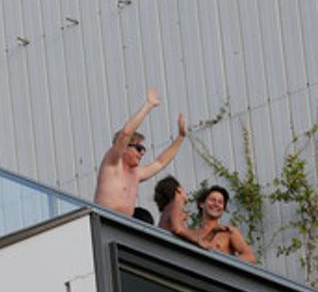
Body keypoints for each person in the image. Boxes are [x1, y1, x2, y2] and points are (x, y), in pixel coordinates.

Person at [93, 87, 186, 216]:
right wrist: (149, 105)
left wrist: (181, 137)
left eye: (143, 149)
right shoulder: (112, 164)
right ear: (125, 148)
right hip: (104, 223)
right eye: (138, 148)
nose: (142, 153)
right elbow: (125, 134)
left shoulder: (136, 173)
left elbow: (160, 162)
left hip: (125, 226)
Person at [193, 186, 256, 263]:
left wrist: (226, 262)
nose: (216, 204)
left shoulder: (228, 232)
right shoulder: (194, 235)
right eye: (212, 200)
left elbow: (250, 257)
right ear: (202, 204)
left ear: (223, 209)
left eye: (220, 202)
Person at [154, 175, 221, 248]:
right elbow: (178, 229)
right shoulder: (177, 201)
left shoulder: (167, 209)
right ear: (178, 190)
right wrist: (199, 241)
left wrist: (211, 232)